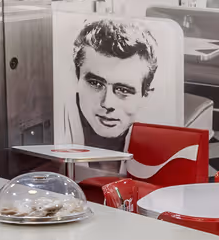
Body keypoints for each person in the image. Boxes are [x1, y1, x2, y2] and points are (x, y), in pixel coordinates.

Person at [58, 18, 159, 150]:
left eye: (123, 90)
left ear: (146, 96)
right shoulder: (56, 128)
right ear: (76, 79)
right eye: (95, 83)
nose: (107, 104)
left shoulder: (161, 143)